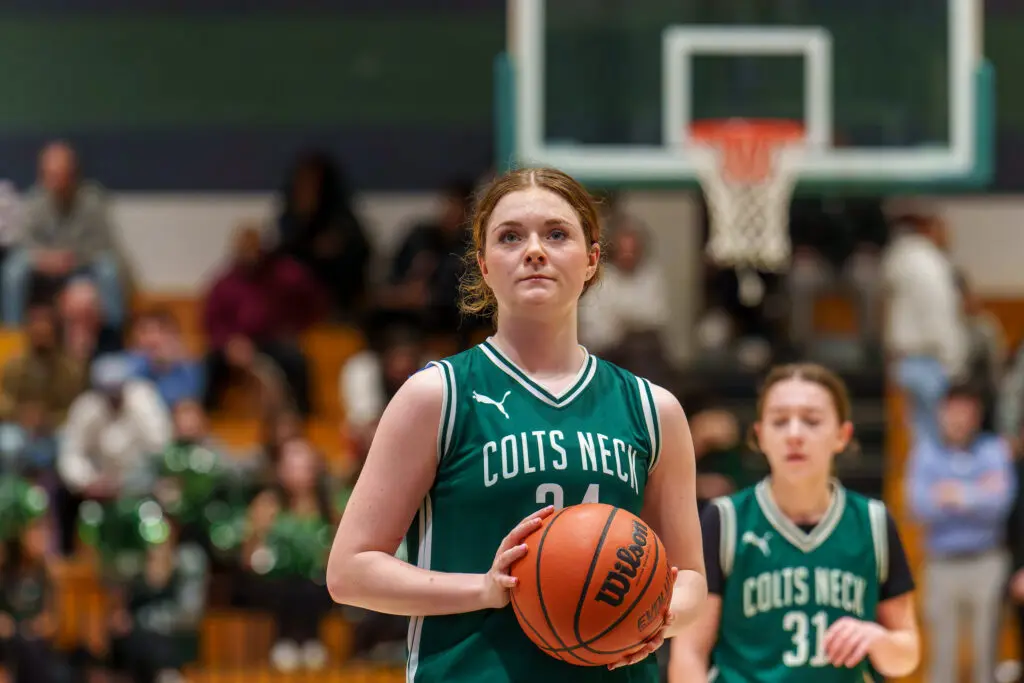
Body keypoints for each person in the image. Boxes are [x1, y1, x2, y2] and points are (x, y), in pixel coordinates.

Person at [327, 167, 707, 682]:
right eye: (510, 236)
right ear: (483, 265)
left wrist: (651, 621)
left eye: (556, 233)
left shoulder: (651, 407)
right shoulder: (438, 395)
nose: (534, 250)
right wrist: (484, 589)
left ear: (593, 258)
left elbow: (690, 581)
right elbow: (350, 572)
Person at [669, 363, 921, 683]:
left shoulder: (873, 521)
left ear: (842, 435)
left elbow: (907, 654)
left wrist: (880, 640)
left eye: (812, 421)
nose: (795, 434)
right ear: (760, 436)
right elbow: (689, 652)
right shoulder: (725, 520)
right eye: (780, 421)